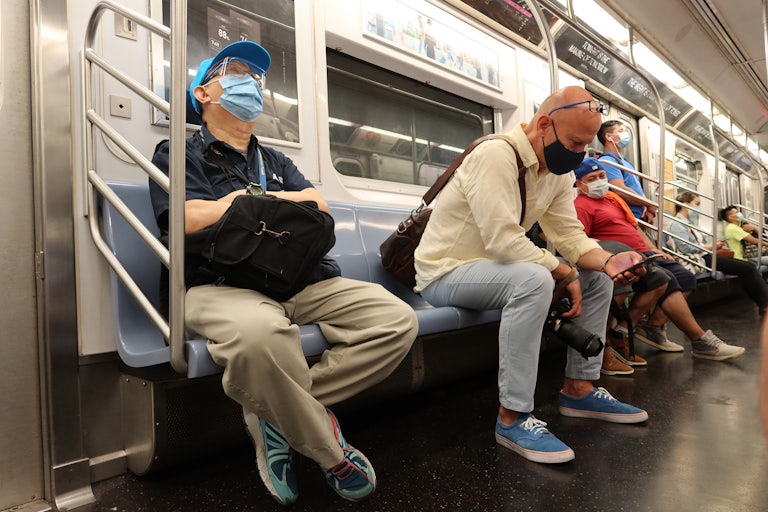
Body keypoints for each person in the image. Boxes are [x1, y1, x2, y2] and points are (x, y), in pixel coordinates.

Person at [148, 41, 418, 505]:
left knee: (396, 321)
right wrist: (246, 204)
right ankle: (328, 451)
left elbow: (320, 205)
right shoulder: (178, 151)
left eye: (256, 77)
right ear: (204, 93)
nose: (250, 82)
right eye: (234, 72)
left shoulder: (273, 161)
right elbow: (187, 219)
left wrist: (239, 205)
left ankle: (273, 412)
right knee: (261, 336)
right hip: (220, 283)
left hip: (299, 279)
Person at [414, 86, 649, 465]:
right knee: (535, 278)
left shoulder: (556, 171)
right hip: (447, 271)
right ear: (544, 125)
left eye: (585, 146)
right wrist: (564, 271)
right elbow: (504, 240)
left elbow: (569, 235)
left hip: (498, 270)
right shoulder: (496, 155)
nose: (578, 153)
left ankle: (579, 387)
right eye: (573, 142)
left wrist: (605, 262)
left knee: (596, 274)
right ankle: (513, 416)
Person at [573, 157, 745, 361]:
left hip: (645, 252)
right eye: (592, 178)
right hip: (623, 255)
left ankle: (652, 326)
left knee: (686, 277)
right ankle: (699, 340)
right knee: (666, 278)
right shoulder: (582, 205)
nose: (600, 181)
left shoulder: (613, 199)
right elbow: (582, 238)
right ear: (579, 183)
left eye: (602, 176)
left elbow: (634, 227)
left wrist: (655, 248)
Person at [670, 192, 768, 315]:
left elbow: (702, 243)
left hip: (706, 255)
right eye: (697, 204)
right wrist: (709, 247)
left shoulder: (690, 223)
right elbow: (685, 248)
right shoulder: (678, 224)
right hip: (701, 258)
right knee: (747, 268)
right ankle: (765, 305)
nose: (699, 208)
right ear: (684, 204)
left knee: (748, 268)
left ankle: (764, 304)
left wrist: (713, 245)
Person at [597, 121, 658, 224]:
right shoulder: (607, 161)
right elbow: (620, 190)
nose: (625, 135)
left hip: (638, 216)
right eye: (620, 131)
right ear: (609, 137)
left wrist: (647, 206)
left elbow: (637, 188)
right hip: (625, 217)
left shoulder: (625, 162)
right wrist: (649, 204)